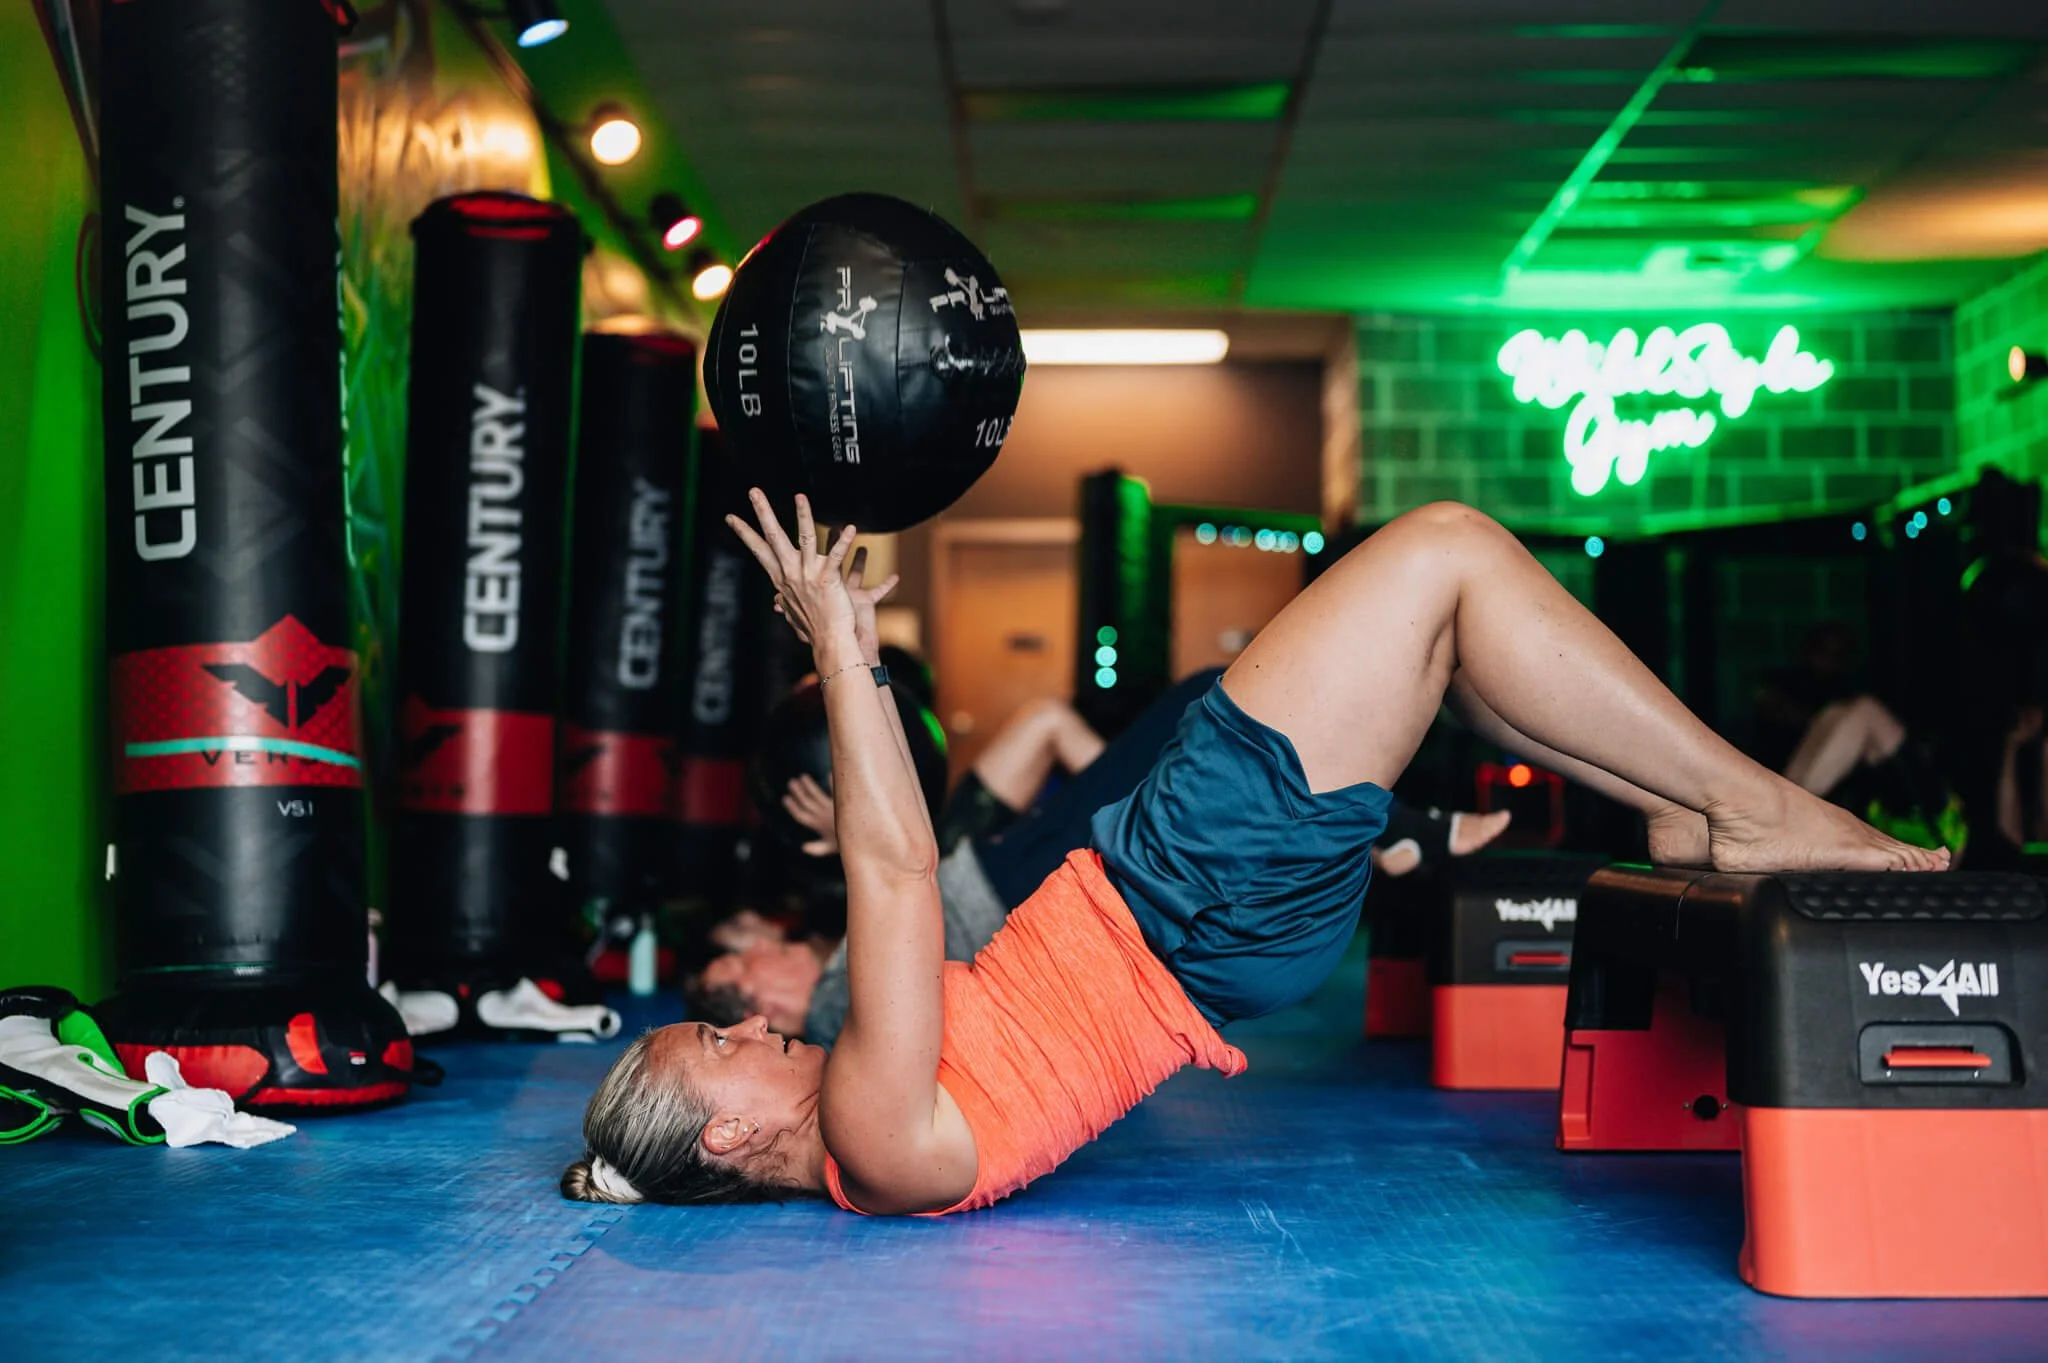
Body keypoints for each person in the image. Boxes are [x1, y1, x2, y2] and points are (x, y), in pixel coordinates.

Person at [563, 493, 1942, 1214]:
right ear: (731, 1131)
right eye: (711, 1042)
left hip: (1197, 910)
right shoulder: (868, 1137)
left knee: (1451, 613)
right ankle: (1749, 808)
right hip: (1189, 888)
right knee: (1443, 550)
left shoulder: (870, 1131)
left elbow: (905, 871)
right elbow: (906, 873)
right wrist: (840, 651)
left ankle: (1698, 806)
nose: (734, 1022)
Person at [690, 671, 1512, 1047]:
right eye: (743, 956)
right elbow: (910, 926)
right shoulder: (838, 1014)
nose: (757, 945)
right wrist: (852, 844)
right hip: (1039, 888)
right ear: (750, 987)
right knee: (1213, 701)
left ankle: (1390, 832)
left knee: (1196, 709)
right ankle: (1403, 828)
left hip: (1011, 856)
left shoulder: (834, 961)